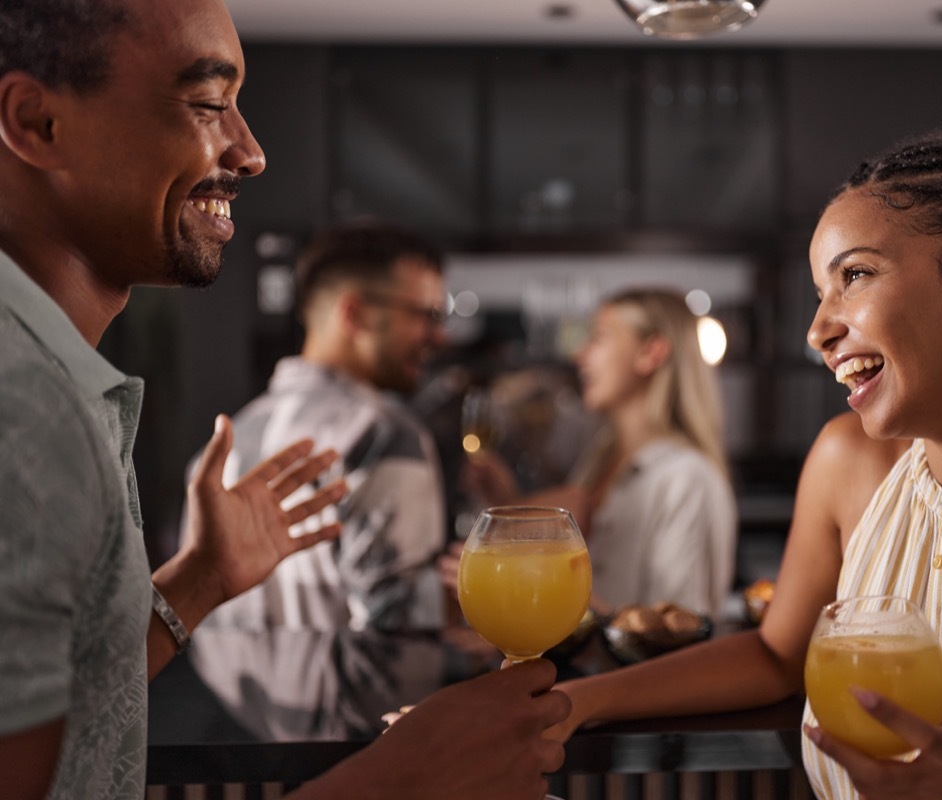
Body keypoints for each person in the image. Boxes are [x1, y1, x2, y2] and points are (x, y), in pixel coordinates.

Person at [0, 2, 568, 800]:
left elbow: (72, 716)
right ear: (38, 122)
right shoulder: (24, 406)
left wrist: (199, 581)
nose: (252, 151)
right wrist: (398, 780)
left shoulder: (63, 385)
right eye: (207, 103)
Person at [548, 118, 942, 799]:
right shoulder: (846, 466)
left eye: (854, 276)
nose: (819, 329)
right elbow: (777, 655)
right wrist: (579, 701)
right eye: (821, 294)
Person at [195, 222, 450, 633]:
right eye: (426, 314)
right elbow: (403, 635)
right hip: (364, 700)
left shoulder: (230, 438)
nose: (440, 335)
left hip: (232, 697)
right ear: (355, 313)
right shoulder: (385, 433)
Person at [456, 288, 737, 618]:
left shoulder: (686, 477)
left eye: (599, 338)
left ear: (651, 352)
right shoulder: (601, 458)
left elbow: (680, 634)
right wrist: (505, 501)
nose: (579, 354)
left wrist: (546, 593)